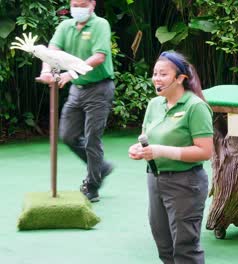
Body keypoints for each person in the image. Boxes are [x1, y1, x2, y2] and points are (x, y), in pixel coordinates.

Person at [128, 51, 213, 264]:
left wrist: (161, 151)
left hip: (186, 183)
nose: (157, 78)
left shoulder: (196, 107)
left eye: (163, 74)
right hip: (155, 179)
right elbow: (148, 139)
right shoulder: (154, 105)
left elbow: (205, 151)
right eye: (155, 73)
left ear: (180, 78)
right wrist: (139, 149)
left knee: (185, 248)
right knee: (164, 246)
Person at [36, 0, 115, 202]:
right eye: (74, 4)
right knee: (68, 135)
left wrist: (71, 72)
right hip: (77, 90)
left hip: (99, 88)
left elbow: (99, 57)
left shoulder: (100, 25)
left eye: (82, 4)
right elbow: (50, 52)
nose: (77, 8)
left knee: (92, 139)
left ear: (92, 5)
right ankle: (101, 168)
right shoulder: (65, 26)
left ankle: (92, 185)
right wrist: (46, 71)